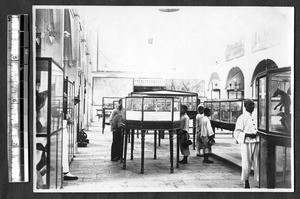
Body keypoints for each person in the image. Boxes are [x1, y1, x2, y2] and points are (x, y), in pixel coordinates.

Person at [234, 99, 259, 189]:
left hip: (257, 142)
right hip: (246, 143)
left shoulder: (257, 116)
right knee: (246, 162)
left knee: (258, 162)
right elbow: (237, 133)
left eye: (253, 105)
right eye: (250, 105)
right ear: (245, 106)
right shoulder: (241, 118)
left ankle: (259, 181)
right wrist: (247, 135)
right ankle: (246, 181)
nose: (252, 107)